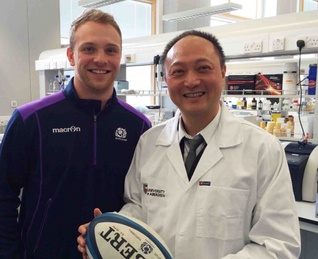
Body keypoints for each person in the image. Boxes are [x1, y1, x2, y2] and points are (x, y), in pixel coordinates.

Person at [78, 30, 301, 258]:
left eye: (203, 68)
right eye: (178, 71)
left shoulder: (263, 149)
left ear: (223, 72)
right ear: (167, 80)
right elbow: (137, 208)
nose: (192, 81)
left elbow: (278, 245)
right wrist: (107, 236)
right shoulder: (149, 142)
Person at [0, 8, 151, 258]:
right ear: (71, 56)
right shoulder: (31, 120)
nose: (100, 59)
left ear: (119, 57)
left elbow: (142, 201)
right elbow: (1, 197)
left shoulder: (138, 126)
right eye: (89, 49)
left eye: (111, 50)